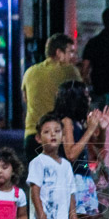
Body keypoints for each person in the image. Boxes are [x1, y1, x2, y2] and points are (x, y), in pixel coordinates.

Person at [55, 80, 109, 219]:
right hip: (71, 182)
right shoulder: (66, 122)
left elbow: (95, 149)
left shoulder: (79, 121)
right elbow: (70, 153)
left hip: (84, 181)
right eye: (85, 94)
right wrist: (88, 129)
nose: (89, 98)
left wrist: (101, 128)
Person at [21, 33, 81, 163]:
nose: (74, 57)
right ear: (59, 53)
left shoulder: (29, 72)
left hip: (32, 136)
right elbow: (81, 98)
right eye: (71, 52)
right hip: (56, 138)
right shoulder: (69, 71)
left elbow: (25, 99)